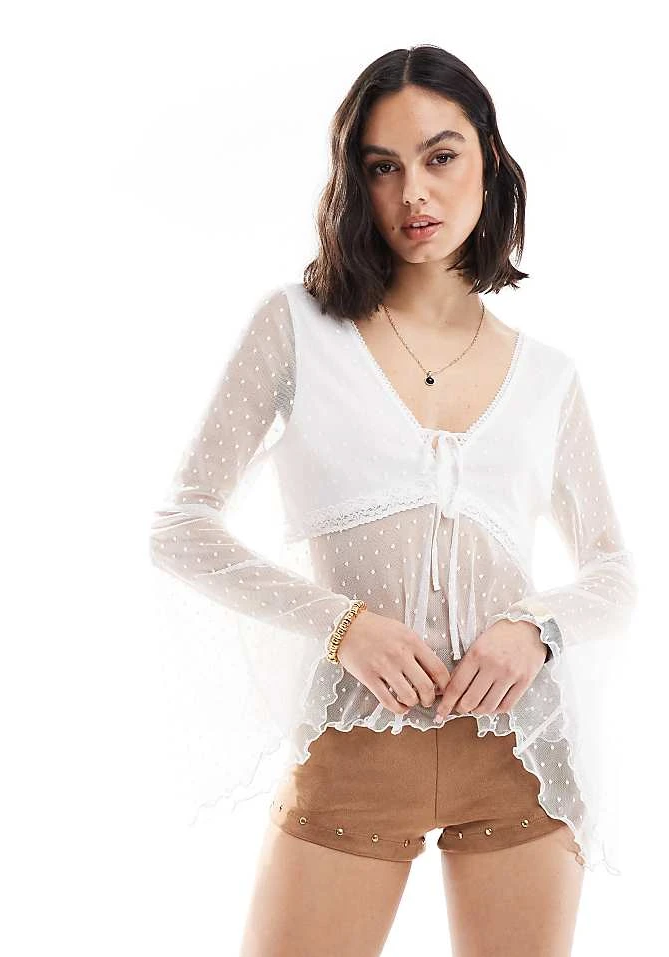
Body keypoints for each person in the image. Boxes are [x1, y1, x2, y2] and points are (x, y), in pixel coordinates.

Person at [149, 44, 637, 957]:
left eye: (441, 156)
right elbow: (180, 527)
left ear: (489, 159)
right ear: (355, 183)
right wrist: (342, 624)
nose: (415, 192)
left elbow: (616, 575)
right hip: (353, 748)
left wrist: (535, 627)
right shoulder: (297, 327)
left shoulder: (549, 377)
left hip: (522, 759)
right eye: (383, 167)